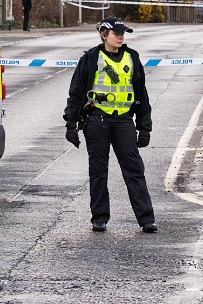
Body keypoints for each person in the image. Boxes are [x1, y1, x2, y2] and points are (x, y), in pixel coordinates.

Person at [63, 17, 156, 233]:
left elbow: (141, 94)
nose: (121, 36)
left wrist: (144, 127)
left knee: (134, 170)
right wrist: (71, 124)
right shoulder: (91, 58)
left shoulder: (132, 57)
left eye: (123, 33)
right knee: (98, 171)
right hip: (97, 120)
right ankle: (99, 218)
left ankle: (146, 219)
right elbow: (76, 92)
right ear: (104, 35)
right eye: (117, 33)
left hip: (124, 121)